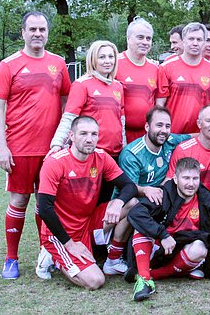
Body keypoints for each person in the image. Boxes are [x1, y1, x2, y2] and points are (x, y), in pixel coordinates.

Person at [0, 11, 71, 279]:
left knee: (45, 202)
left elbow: (67, 104)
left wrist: (66, 138)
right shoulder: (8, 65)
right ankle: (11, 259)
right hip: (20, 146)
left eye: (42, 29)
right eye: (33, 29)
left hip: (52, 148)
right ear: (23, 32)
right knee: (19, 200)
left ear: (47, 32)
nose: (38, 33)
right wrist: (0, 146)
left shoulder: (59, 63)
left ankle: (45, 252)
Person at [37, 116, 138, 290]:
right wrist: (70, 245)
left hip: (87, 223)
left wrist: (118, 202)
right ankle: (54, 256)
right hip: (61, 233)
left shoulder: (101, 157)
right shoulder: (55, 162)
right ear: (71, 136)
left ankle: (112, 259)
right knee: (95, 281)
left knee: (132, 203)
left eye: (94, 134)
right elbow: (45, 209)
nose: (89, 139)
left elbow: (129, 186)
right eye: (83, 133)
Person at [127, 157, 210, 301]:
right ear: (175, 179)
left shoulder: (208, 201)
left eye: (195, 178)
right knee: (141, 227)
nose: (191, 183)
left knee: (200, 248)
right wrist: (162, 235)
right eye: (186, 178)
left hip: (181, 251)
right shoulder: (163, 194)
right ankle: (144, 280)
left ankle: (154, 275)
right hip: (158, 249)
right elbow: (135, 214)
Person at [50, 40, 125, 158]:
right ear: (93, 59)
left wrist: (124, 148)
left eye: (111, 57)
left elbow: (121, 121)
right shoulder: (81, 84)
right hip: (91, 153)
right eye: (102, 57)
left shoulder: (118, 86)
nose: (107, 61)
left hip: (116, 153)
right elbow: (69, 117)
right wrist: (57, 144)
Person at [156, 22, 210, 134]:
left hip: (202, 137)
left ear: (204, 42)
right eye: (191, 39)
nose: (195, 43)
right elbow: (159, 105)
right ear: (183, 41)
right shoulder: (166, 68)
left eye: (199, 39)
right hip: (173, 136)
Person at [118, 106, 191, 202]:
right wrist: (146, 190)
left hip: (160, 199)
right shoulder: (131, 155)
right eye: (159, 125)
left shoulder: (170, 140)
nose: (164, 130)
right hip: (135, 202)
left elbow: (193, 138)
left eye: (167, 126)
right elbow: (129, 188)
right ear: (147, 127)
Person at [116, 17, 159, 143]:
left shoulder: (155, 68)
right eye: (140, 37)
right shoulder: (114, 64)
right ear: (128, 39)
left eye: (148, 38)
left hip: (146, 136)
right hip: (121, 135)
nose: (145, 42)